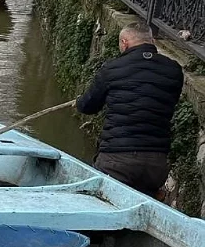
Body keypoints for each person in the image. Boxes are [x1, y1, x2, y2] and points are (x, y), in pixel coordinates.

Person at [75, 22, 184, 196]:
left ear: (124, 42)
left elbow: (88, 106)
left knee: (103, 205)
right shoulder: (174, 70)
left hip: (116, 158)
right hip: (156, 163)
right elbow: (169, 102)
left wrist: (79, 102)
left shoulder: (111, 69)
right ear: (152, 41)